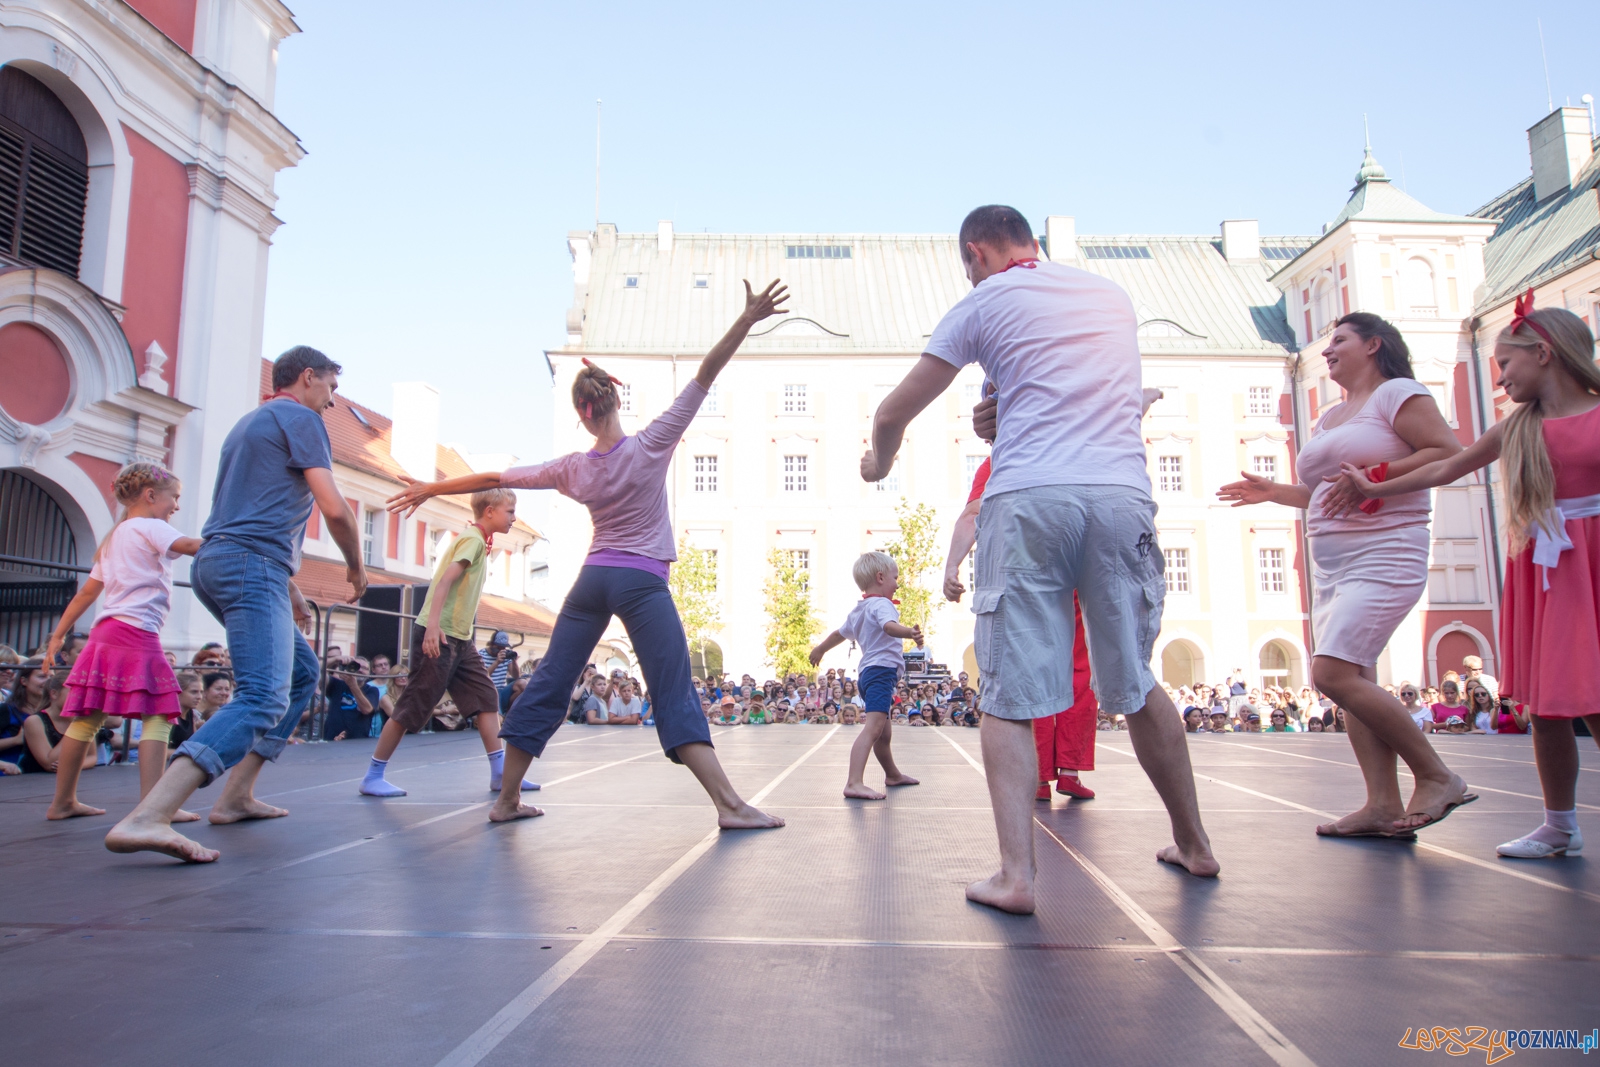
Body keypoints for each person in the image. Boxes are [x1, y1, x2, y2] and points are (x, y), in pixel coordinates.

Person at [864, 205, 1218, 913]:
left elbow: (894, 410)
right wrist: (998, 407)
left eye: (968, 264)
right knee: (1139, 681)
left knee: (1009, 693)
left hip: (1030, 498)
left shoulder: (983, 300)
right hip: (1121, 495)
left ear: (977, 253)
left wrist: (878, 461)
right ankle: (1195, 843)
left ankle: (1017, 876)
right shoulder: (1110, 297)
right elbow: (1071, 388)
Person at [388, 281, 791, 830]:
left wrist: (431, 489)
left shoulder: (572, 469)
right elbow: (706, 375)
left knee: (552, 680)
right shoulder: (652, 444)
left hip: (592, 579)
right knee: (671, 687)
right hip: (640, 580)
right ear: (615, 400)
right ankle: (729, 805)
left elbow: (494, 476)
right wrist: (746, 319)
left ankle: (505, 800)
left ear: (581, 415)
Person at [1341, 295, 1600, 858]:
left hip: (1591, 560)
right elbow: (1446, 466)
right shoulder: (1517, 429)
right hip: (1547, 566)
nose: (1501, 377)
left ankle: (1561, 825)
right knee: (1549, 703)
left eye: (1507, 364)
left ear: (1545, 354)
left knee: (1594, 697)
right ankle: (1559, 824)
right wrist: (1377, 488)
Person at [104, 345, 368, 864]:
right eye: (332, 388)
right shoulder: (300, 417)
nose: (332, 402)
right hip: (250, 566)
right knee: (262, 695)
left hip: (224, 561)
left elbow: (246, 511)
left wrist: (290, 586)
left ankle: (237, 794)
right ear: (308, 377)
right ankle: (149, 815)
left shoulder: (251, 423)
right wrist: (356, 567)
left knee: (300, 674)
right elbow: (335, 509)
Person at [1220, 311, 1475, 840]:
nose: (1327, 350)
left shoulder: (1397, 393)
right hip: (1334, 565)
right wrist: (1275, 492)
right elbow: (1331, 491)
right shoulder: (1331, 418)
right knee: (1354, 680)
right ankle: (1381, 804)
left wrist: (1378, 476)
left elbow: (1449, 453)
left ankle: (1435, 775)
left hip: (1386, 551)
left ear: (1373, 345)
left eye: (1339, 340)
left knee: (1331, 675)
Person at [39, 463, 204, 820]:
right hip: (135, 632)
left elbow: (86, 594)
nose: (176, 505)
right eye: (174, 497)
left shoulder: (114, 537)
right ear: (150, 495)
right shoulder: (151, 527)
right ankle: (154, 806)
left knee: (87, 719)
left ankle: (62, 802)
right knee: (160, 715)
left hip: (106, 633)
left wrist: (57, 635)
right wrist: (236, 540)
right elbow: (190, 546)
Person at [360, 490, 536, 796]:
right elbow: (444, 581)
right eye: (510, 511)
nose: (514, 517)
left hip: (461, 639)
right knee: (413, 703)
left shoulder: (480, 541)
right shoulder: (473, 540)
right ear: (490, 511)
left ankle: (500, 774)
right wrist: (431, 627)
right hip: (441, 635)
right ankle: (373, 775)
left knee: (486, 699)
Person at [810, 551, 923, 799]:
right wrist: (909, 633)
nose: (897, 583)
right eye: (895, 577)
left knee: (884, 732)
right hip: (881, 672)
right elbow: (888, 627)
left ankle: (892, 774)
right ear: (881, 577)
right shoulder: (882, 605)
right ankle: (854, 782)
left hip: (868, 673)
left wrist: (820, 648)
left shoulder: (858, 609)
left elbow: (839, 634)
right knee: (873, 729)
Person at [323, 657, 379, 741]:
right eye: (358, 666)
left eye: (365, 669)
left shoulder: (372, 690)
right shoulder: (337, 684)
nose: (361, 670)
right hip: (331, 739)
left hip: (357, 742)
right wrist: (335, 659)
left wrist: (353, 685)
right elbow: (316, 670)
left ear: (369, 673)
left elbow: (367, 710)